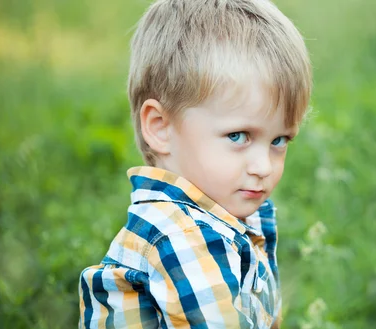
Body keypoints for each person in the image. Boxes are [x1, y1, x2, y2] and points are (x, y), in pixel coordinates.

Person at [78, 0, 312, 328]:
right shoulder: (184, 237)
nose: (263, 166)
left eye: (279, 141)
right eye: (238, 136)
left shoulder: (218, 221)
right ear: (160, 127)